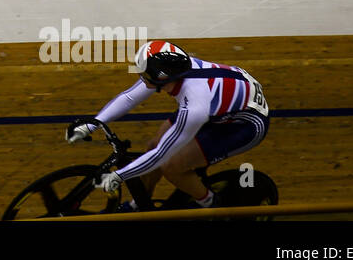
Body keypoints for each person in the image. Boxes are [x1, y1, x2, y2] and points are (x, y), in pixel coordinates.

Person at [66, 40, 270, 209]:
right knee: (152, 145)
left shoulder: (195, 103)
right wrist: (90, 125)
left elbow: (161, 155)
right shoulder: (175, 69)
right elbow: (129, 98)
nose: (141, 79)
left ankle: (210, 204)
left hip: (244, 125)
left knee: (172, 165)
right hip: (221, 105)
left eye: (144, 75)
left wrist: (119, 176)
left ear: (164, 78)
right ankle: (140, 204)